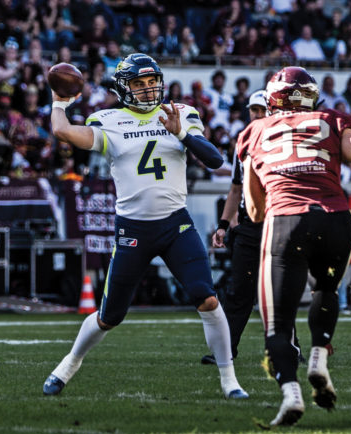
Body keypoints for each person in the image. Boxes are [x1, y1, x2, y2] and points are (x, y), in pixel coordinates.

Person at [42, 53, 248, 400]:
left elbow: (214, 160)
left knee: (208, 299)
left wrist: (181, 132)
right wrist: (59, 102)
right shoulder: (108, 120)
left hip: (175, 225)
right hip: (133, 230)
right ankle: (69, 363)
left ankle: (230, 381)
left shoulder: (179, 113)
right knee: (110, 316)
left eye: (152, 82)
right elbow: (62, 131)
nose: (148, 90)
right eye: (139, 84)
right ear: (124, 88)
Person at [238, 66, 351, 427]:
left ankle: (291, 393)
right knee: (327, 286)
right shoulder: (331, 118)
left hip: (287, 222)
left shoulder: (255, 130)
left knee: (277, 323)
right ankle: (319, 356)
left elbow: (256, 211)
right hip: (337, 220)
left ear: (273, 99)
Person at [201, 90, 268, 365]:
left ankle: (291, 347)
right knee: (238, 290)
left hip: (278, 223)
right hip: (250, 226)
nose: (257, 115)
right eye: (254, 110)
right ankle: (226, 350)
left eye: (262, 110)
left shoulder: (283, 142)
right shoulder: (245, 143)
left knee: (276, 292)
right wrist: (223, 225)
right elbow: (236, 189)